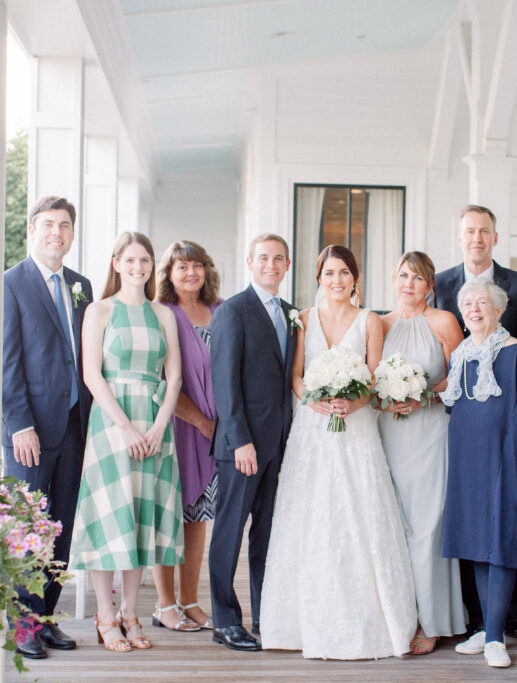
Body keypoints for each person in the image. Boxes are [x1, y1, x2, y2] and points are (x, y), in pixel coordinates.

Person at [260, 245, 417, 660]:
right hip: (312, 430)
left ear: (355, 278)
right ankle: (295, 623)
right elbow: (295, 376)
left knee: (358, 513)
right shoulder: (304, 320)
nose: (336, 280)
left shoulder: (370, 321)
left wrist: (353, 402)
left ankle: (371, 622)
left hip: (356, 430)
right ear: (318, 278)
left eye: (344, 273)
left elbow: (373, 376)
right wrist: (312, 399)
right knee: (308, 515)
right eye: (329, 273)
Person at [432, 203, 517, 638]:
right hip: (463, 421)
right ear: (459, 237)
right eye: (469, 231)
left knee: (505, 517)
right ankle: (475, 615)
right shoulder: (441, 284)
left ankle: (509, 613)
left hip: (506, 416)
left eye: (484, 231)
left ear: (495, 237)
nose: (476, 238)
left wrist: (502, 368)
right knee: (472, 520)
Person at [68, 232, 184, 653]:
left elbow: (176, 377)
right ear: (115, 263)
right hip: (113, 423)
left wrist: (156, 428)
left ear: (153, 266)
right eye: (130, 260)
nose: (139, 267)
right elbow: (92, 375)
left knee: (140, 521)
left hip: (154, 422)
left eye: (146, 260)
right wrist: (126, 428)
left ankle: (132, 613)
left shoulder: (163, 314)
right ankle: (104, 615)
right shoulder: (99, 311)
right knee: (109, 518)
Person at [1, 196, 93, 659]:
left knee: (60, 528)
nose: (57, 232)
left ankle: (46, 618)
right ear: (32, 229)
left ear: (73, 233)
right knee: (28, 528)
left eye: (64, 225)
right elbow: (7, 361)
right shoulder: (9, 284)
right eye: (48, 224)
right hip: (30, 431)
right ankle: (21, 627)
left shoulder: (81, 285)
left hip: (75, 425)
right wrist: (19, 424)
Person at [209, 233, 298, 652]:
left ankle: (265, 612)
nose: (271, 265)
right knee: (229, 532)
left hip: (280, 446)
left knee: (267, 533)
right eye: (264, 258)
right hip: (241, 446)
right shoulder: (233, 311)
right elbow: (224, 384)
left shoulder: (292, 314)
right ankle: (225, 620)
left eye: (279, 259)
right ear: (250, 261)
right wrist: (239, 439)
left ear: (287, 264)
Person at [376, 251, 465, 655]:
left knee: (428, 525)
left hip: (430, 433)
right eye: (403, 276)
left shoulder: (443, 322)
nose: (408, 283)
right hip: (389, 435)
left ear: (430, 286)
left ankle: (433, 620)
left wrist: (424, 393)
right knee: (396, 526)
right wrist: (385, 401)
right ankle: (401, 616)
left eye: (418, 278)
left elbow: (462, 378)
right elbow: (368, 383)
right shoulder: (378, 324)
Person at [150, 241, 223, 632]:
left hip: (214, 428)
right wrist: (199, 421)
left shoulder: (221, 310)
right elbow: (160, 380)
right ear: (168, 274)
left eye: (197, 265)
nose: (191, 273)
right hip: (175, 424)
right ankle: (164, 605)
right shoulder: (161, 313)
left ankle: (190, 600)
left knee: (197, 518)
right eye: (182, 267)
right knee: (169, 514)